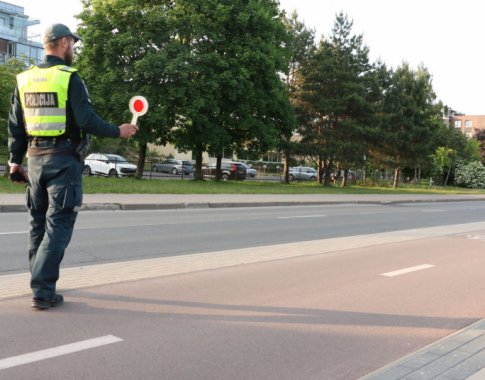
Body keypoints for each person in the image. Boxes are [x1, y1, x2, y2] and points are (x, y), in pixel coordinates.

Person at [7, 23, 139, 310]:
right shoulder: (69, 78)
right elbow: (87, 120)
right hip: (63, 162)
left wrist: (14, 163)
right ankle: (42, 291)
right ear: (64, 42)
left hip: (34, 160)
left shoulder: (24, 79)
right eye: (74, 44)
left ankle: (42, 284)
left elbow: (16, 128)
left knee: (38, 225)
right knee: (58, 226)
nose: (74, 49)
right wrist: (120, 131)